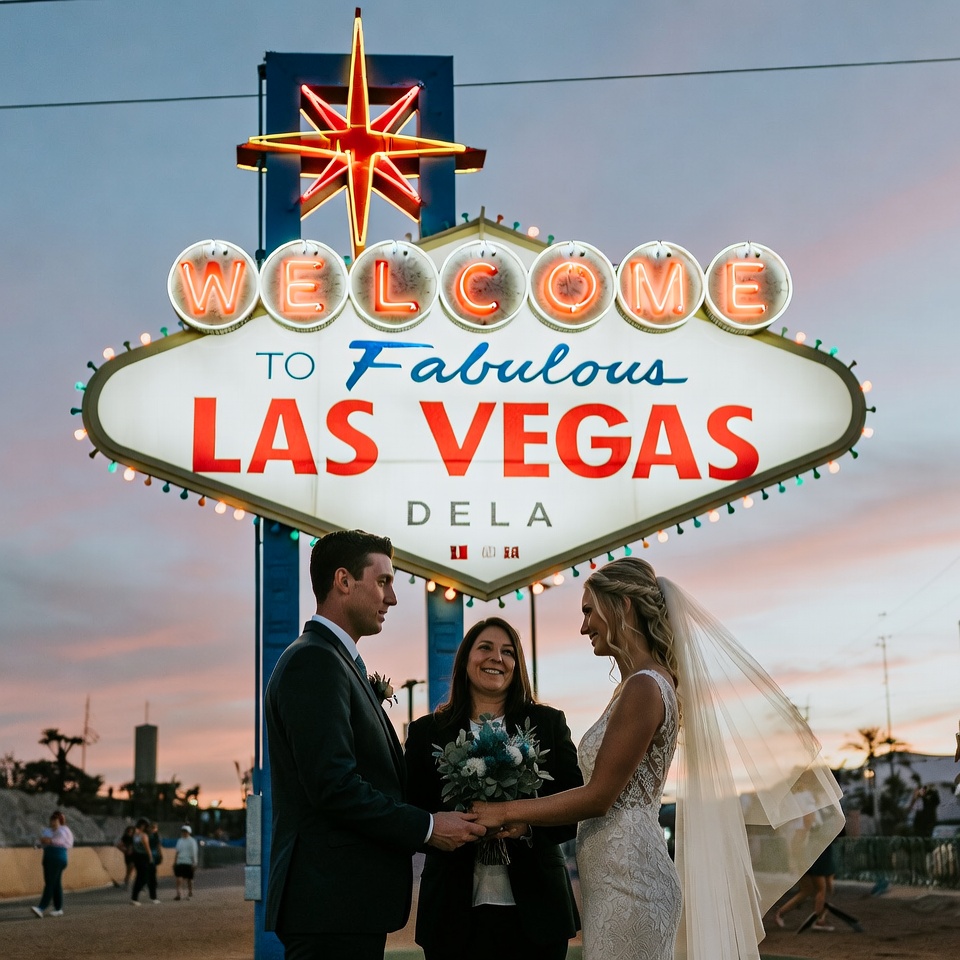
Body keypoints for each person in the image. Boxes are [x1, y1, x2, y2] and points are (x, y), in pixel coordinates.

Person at [473, 557, 844, 960]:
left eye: (589, 611)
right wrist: (527, 819)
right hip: (613, 878)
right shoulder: (635, 687)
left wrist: (505, 810)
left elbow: (599, 797)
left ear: (623, 606)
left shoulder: (644, 688)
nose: (584, 627)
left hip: (631, 881)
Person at [263, 529, 486, 960]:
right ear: (343, 581)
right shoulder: (314, 661)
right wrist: (428, 827)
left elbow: (377, 780)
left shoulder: (336, 661)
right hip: (329, 905)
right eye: (383, 581)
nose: (393, 598)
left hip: (346, 905)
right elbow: (334, 785)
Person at [404, 617, 584, 960]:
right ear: (465, 659)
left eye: (508, 651)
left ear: (517, 665)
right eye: (485, 647)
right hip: (452, 910)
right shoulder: (427, 732)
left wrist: (527, 824)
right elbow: (412, 808)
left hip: (538, 907)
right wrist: (453, 827)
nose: (496, 658)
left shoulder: (548, 723)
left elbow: (574, 804)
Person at [773, 835, 837, 932]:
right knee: (822, 889)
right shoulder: (812, 821)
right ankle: (819, 919)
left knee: (808, 889)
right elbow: (801, 834)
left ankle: (781, 913)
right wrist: (794, 858)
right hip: (817, 851)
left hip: (815, 850)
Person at [30, 810, 74, 918]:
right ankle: (58, 908)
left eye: (56, 819)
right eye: (52, 819)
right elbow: (40, 843)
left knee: (50, 883)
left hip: (57, 857)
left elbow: (54, 841)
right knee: (55, 883)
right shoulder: (48, 831)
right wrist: (42, 842)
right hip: (48, 857)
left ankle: (41, 907)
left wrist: (46, 840)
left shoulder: (64, 830)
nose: (53, 822)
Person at [130, 817, 160, 905]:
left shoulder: (135, 835)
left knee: (141, 877)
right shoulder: (144, 835)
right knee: (147, 878)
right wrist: (151, 858)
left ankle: (136, 897)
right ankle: (149, 897)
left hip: (137, 857)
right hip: (145, 858)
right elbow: (147, 849)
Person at [174, 825, 199, 900]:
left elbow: (194, 852)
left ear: (189, 832)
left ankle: (190, 892)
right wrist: (175, 862)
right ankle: (179, 893)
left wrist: (194, 863)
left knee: (189, 879)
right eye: (183, 831)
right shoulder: (180, 840)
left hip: (189, 862)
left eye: (186, 831)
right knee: (179, 878)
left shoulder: (192, 841)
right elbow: (177, 852)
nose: (184, 833)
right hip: (180, 861)